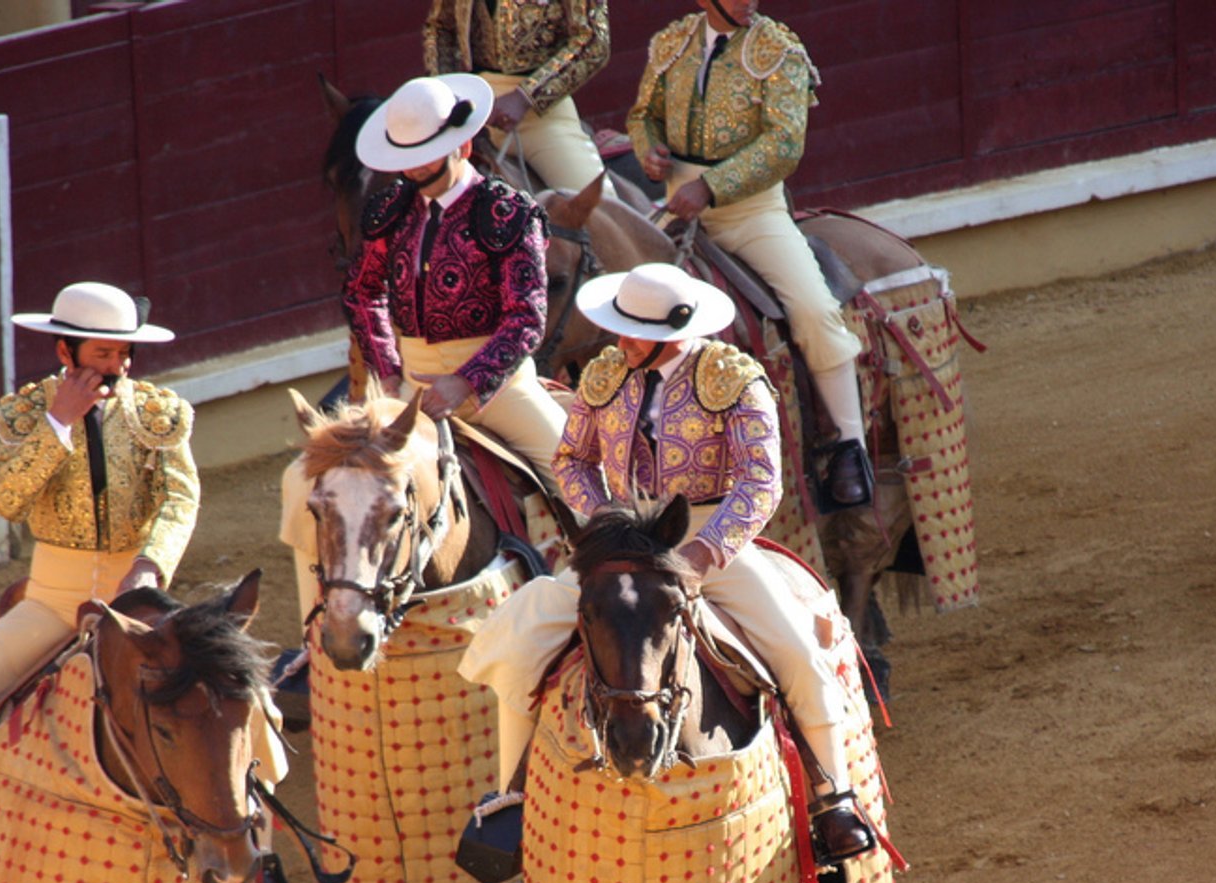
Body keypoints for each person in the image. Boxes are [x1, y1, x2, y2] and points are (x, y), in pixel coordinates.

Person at [458, 262, 876, 860]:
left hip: (705, 539)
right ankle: (510, 799)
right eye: (620, 327)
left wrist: (704, 552)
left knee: (798, 654)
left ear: (677, 331)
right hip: (623, 540)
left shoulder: (736, 378)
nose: (621, 340)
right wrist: (605, 519)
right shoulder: (605, 373)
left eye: (635, 332)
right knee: (518, 631)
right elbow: (572, 459)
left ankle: (834, 797)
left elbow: (761, 482)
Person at [0, 283, 204, 823]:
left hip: (135, 602)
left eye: (124, 353)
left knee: (238, 700)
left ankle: (259, 856)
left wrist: (148, 566)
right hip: (51, 604)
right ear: (65, 351)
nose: (117, 366)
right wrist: (57, 424)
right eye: (102, 353)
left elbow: (179, 498)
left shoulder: (158, 414)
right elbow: (3, 499)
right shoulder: (24, 416)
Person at [627, 0, 874, 510]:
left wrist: (712, 187)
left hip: (751, 214)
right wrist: (648, 148)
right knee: (623, 302)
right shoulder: (671, 44)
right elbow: (643, 114)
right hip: (678, 205)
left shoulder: (778, 49)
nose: (750, 1)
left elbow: (784, 143)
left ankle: (851, 446)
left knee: (814, 308)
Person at [344, 73, 565, 477]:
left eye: (425, 157)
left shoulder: (509, 212)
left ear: (462, 146)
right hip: (412, 389)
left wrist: (466, 381)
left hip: (502, 391)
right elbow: (362, 293)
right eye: (405, 159)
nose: (412, 171)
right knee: (349, 483)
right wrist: (389, 372)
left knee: (578, 479)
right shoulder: (389, 213)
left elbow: (526, 319)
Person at [423, 0, 612, 195]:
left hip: (539, 117)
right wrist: (447, 96)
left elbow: (594, 42)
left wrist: (525, 97)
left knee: (596, 206)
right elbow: (442, 28)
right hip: (470, 107)